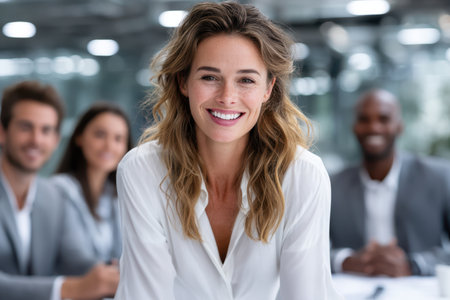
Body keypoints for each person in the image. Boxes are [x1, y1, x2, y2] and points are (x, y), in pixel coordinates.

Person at [115, 2, 342, 300]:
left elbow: (305, 295)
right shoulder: (142, 171)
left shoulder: (303, 175)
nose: (227, 97)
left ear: (267, 89)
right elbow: (145, 294)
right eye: (209, 77)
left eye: (246, 80)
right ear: (183, 81)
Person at [0, 81, 119, 300]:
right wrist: (67, 289)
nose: (36, 140)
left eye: (46, 130)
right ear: (2, 131)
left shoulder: (52, 196)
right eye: (26, 127)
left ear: (55, 140)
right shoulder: (62, 188)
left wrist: (113, 273)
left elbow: (76, 259)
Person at [330, 88, 450, 277]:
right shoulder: (334, 185)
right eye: (364, 119)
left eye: (383, 119)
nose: (374, 127)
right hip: (352, 291)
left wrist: (413, 265)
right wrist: (345, 261)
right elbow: (308, 249)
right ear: (354, 127)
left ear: (399, 126)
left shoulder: (438, 177)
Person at [51, 102, 132, 263]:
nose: (109, 146)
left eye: (118, 138)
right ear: (79, 137)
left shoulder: (118, 196)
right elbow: (72, 258)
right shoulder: (58, 190)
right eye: (100, 135)